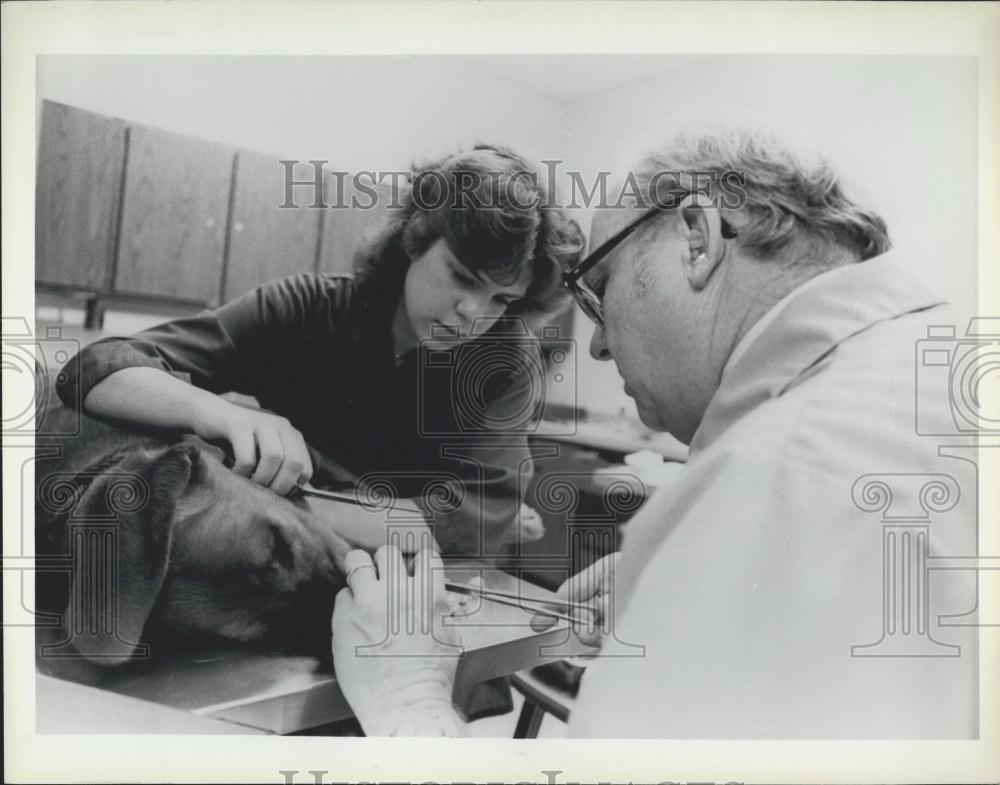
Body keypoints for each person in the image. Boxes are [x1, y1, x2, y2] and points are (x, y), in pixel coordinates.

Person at [330, 129, 978, 738]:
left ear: (697, 240)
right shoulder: (927, 373)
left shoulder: (787, 477)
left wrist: (407, 699)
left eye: (599, 292)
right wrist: (705, 591)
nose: (603, 344)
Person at [57, 144, 585, 557]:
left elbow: (474, 517)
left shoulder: (506, 357)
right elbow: (96, 369)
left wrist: (268, 500)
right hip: (282, 567)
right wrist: (218, 414)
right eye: (462, 277)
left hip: (410, 591)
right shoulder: (305, 308)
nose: (475, 313)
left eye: (502, 298)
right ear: (415, 239)